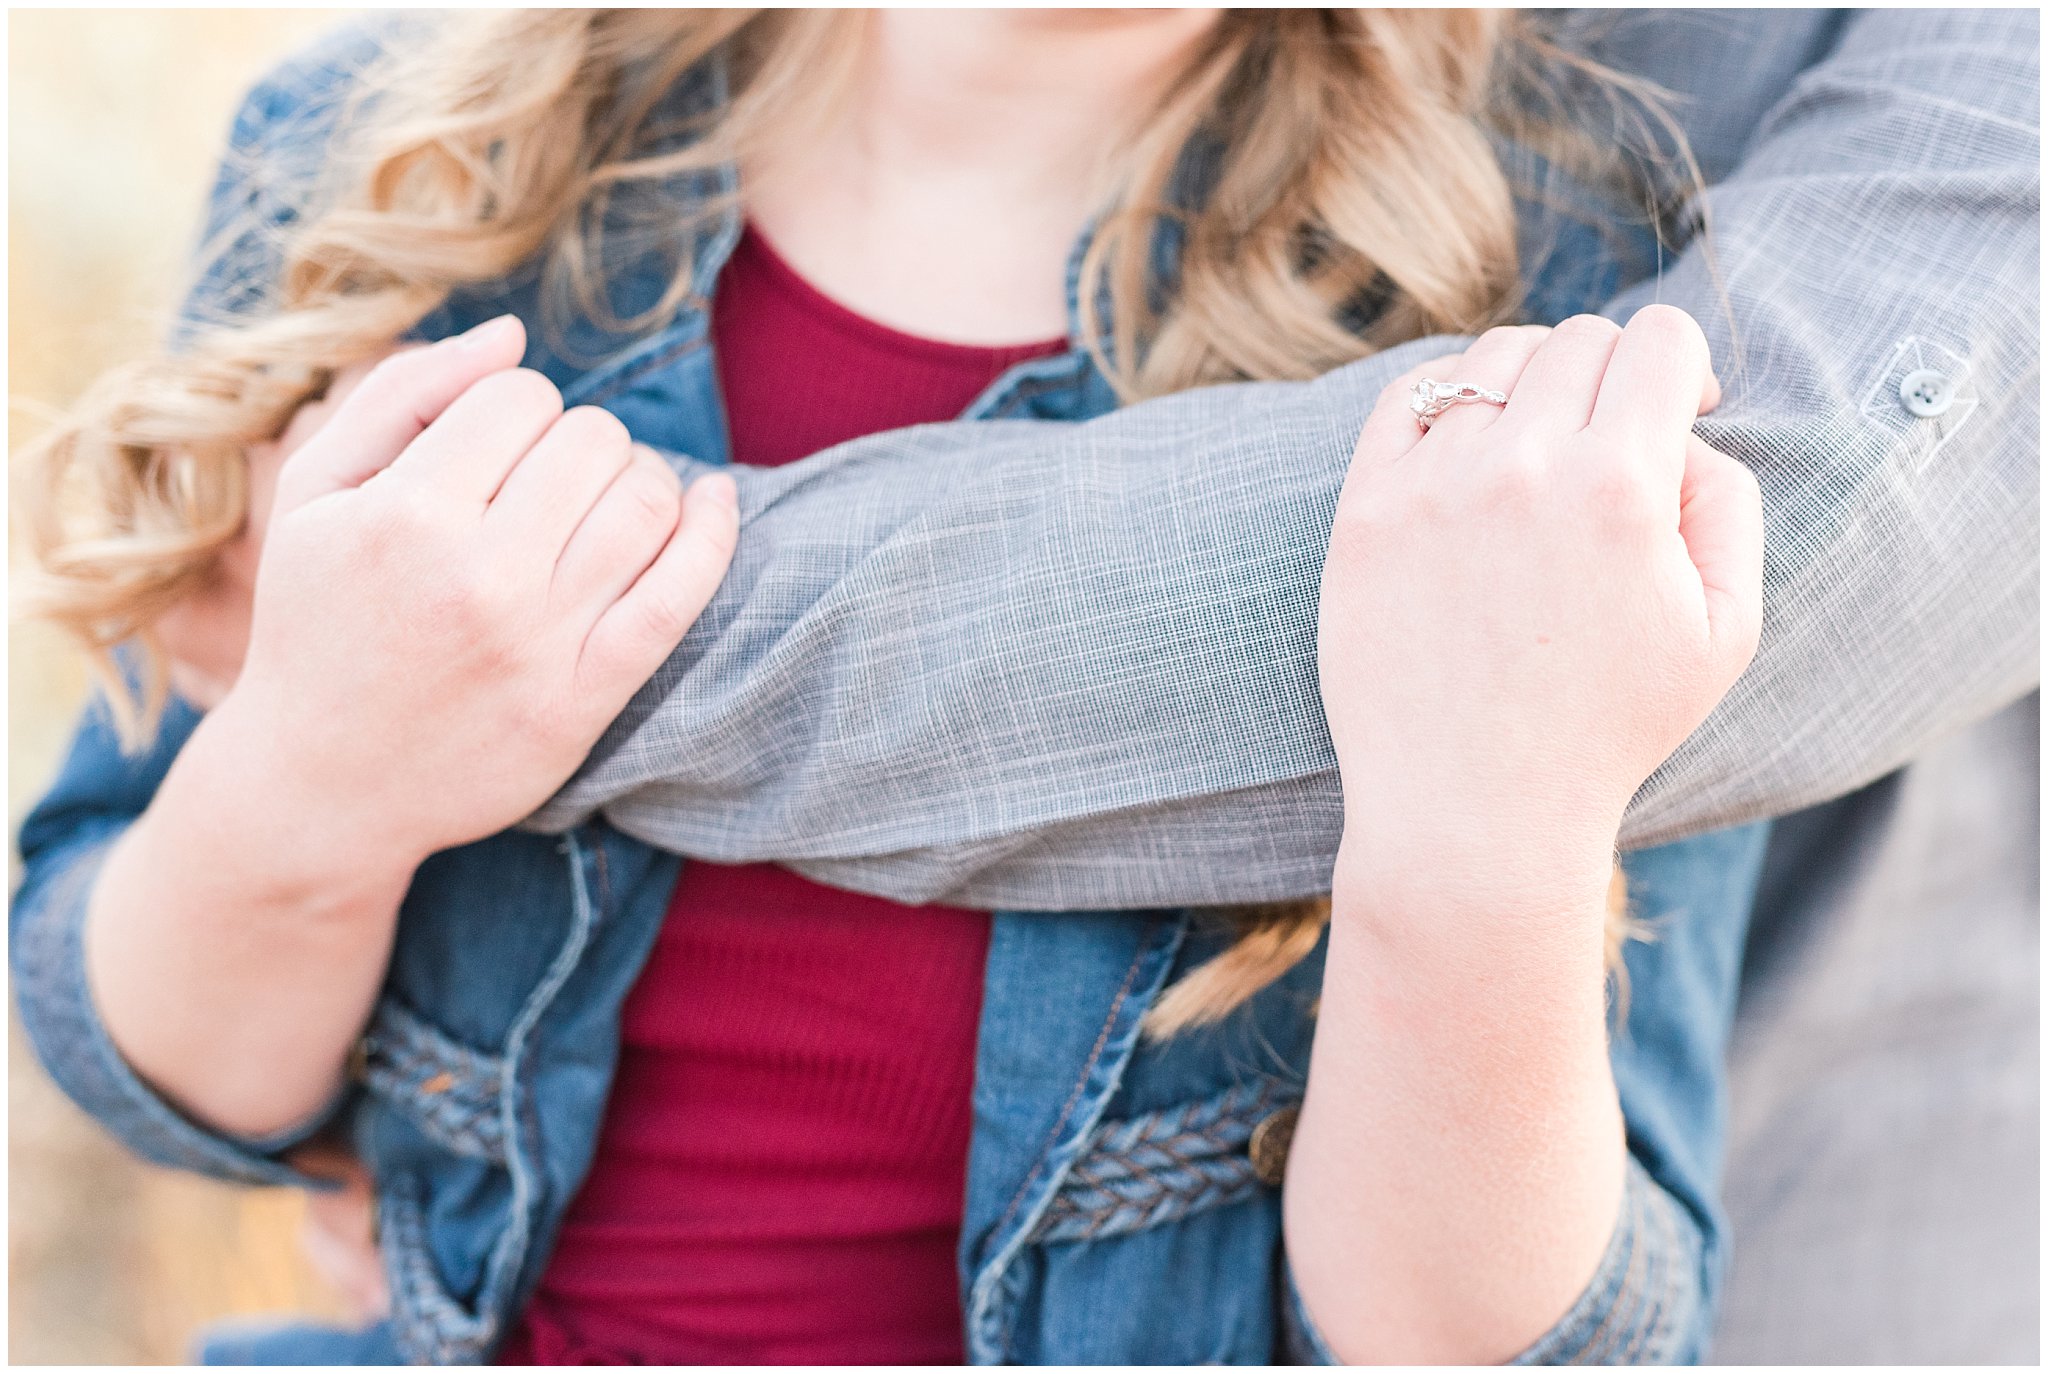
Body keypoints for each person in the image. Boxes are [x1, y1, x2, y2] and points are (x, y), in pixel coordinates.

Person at [8, 8, 2032, 1367]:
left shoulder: (1545, 295)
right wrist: (311, 778)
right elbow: (161, 1060)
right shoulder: (422, 173)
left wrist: (1482, 833)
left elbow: (1502, 1334)